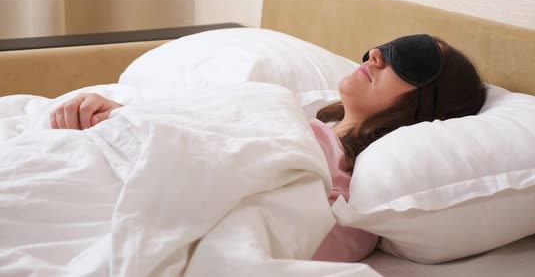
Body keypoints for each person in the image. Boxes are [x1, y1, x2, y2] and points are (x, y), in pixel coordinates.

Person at [50, 34, 487, 263]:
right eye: (387, 46)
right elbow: (203, 125)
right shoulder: (290, 111)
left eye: (408, 59)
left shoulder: (348, 190)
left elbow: (291, 238)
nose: (375, 54)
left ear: (430, 103)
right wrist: (123, 114)